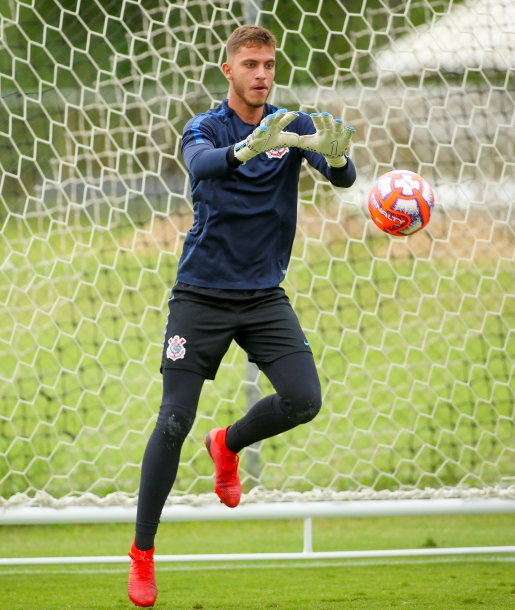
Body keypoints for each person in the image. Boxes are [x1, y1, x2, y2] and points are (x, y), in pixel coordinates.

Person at [127, 24, 357, 607]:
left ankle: (226, 445)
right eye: (251, 64)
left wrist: (336, 157)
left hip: (262, 297)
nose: (262, 74)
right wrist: (244, 150)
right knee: (173, 420)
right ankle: (143, 555)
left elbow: (343, 177)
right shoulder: (205, 127)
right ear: (227, 69)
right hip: (200, 295)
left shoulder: (292, 125)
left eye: (270, 65)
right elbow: (202, 166)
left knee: (305, 400)